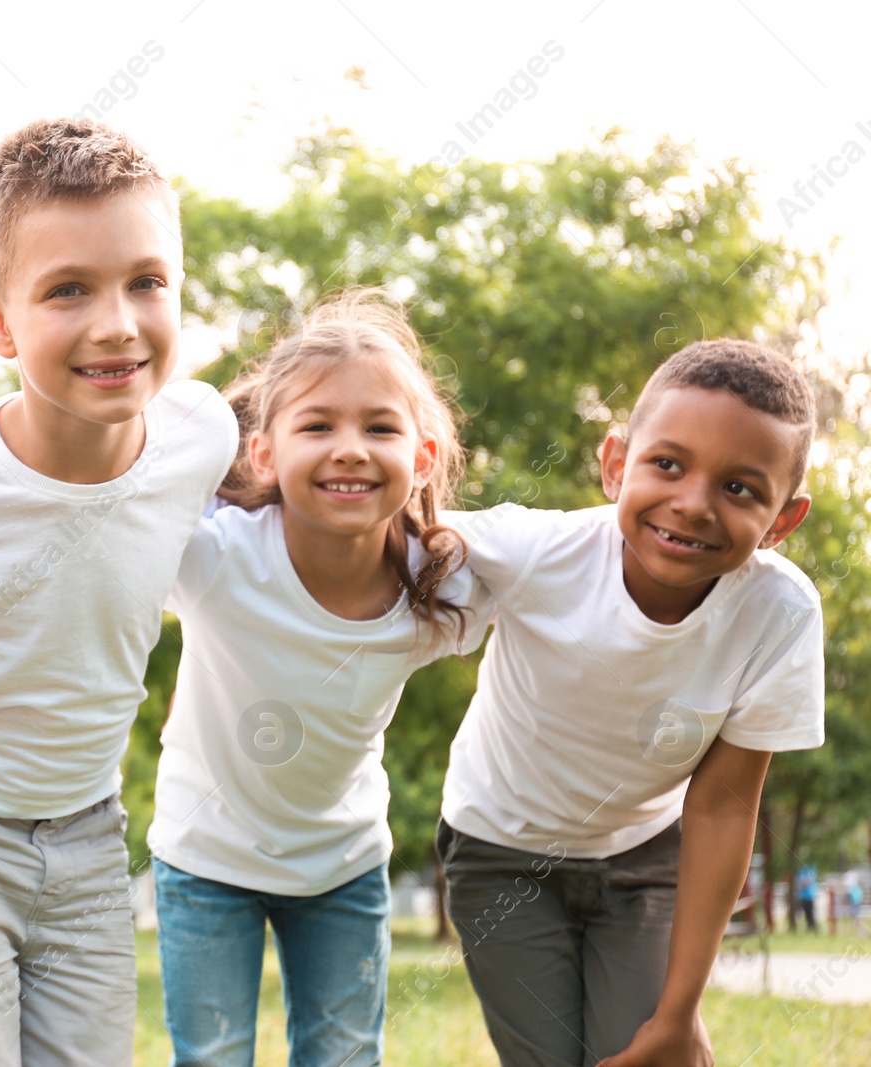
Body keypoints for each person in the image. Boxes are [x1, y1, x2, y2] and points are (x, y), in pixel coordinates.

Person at [0, 118, 238, 1066]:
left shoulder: (202, 434)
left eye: (147, 281)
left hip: (90, 833)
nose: (117, 322)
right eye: (68, 290)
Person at [438, 339, 826, 1067]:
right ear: (616, 463)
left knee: (651, 1055)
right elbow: (382, 534)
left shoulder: (780, 613)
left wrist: (679, 1013)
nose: (693, 503)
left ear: (783, 519)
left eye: (740, 488)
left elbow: (722, 804)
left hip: (644, 851)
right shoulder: (536, 552)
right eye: (668, 464)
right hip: (500, 847)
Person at [148, 289, 493, 1067]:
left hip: (341, 864)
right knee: (212, 1056)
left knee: (343, 1056)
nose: (350, 447)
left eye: (379, 427)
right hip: (205, 857)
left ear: (422, 456)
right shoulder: (217, 557)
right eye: (317, 425)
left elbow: (568, 565)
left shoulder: (441, 586)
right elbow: (118, 474)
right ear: (263, 453)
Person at [797, 865, 819, 933]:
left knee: (810, 914)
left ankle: (812, 928)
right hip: (804, 897)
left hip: (809, 897)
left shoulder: (808, 872)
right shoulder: (803, 872)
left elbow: (805, 883)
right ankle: (810, 928)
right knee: (807, 915)